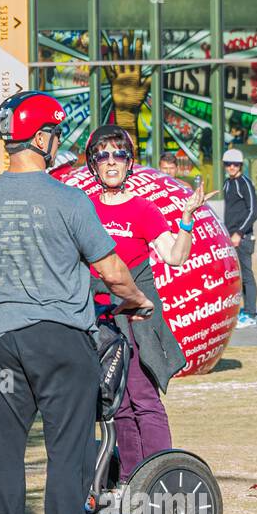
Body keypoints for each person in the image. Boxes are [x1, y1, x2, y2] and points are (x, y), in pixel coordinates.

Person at [0, 92, 152, 514]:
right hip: (63, 340)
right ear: (43, 138)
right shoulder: (69, 199)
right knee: (67, 454)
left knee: (5, 454)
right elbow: (112, 271)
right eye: (54, 134)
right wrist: (139, 301)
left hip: (5, 340)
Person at [84, 124, 211, 481]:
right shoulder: (84, 208)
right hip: (99, 318)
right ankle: (128, 480)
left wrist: (187, 219)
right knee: (117, 404)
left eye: (119, 155)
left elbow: (174, 256)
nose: (111, 162)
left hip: (137, 317)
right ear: (93, 164)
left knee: (144, 399)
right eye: (103, 155)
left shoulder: (143, 209)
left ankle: (160, 478)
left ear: (129, 163)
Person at [222, 148, 257, 328]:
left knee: (247, 276)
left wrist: (240, 233)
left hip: (243, 238)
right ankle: (245, 310)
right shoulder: (227, 183)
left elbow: (254, 211)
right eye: (228, 164)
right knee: (236, 276)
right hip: (230, 237)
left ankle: (251, 314)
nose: (231, 167)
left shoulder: (244, 183)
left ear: (240, 165)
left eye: (235, 164)